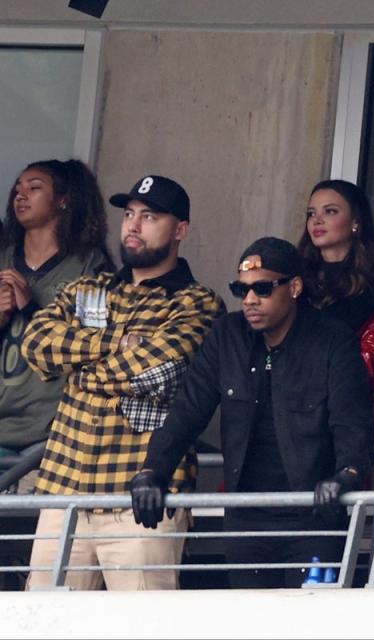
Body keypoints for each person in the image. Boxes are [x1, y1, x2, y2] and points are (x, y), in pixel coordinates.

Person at [131, 237, 374, 589]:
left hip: (314, 519)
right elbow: (187, 411)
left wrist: (347, 475)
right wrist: (153, 471)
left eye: (262, 289)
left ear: (294, 287)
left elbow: (352, 422)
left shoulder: (332, 340)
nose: (249, 300)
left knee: (313, 626)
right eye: (240, 290)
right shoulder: (226, 335)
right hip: (246, 518)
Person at [22, 174, 224, 590]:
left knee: (141, 628)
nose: (133, 225)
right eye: (129, 214)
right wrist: (118, 342)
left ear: (180, 230)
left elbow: (156, 370)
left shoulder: (196, 301)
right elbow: (36, 343)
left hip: (141, 497)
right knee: (42, 625)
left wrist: (78, 368)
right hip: (64, 491)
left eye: (149, 216)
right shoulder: (87, 287)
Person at [0, 160, 113, 469]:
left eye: (34, 188)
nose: (21, 196)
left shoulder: (90, 266)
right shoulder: (3, 258)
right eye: (17, 190)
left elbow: (96, 346)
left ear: (64, 200)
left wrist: (30, 310)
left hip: (50, 434)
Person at [297, 179, 374, 391]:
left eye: (330, 211)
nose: (317, 220)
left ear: (355, 221)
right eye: (311, 213)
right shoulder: (290, 278)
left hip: (337, 410)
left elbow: (373, 364)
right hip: (277, 407)